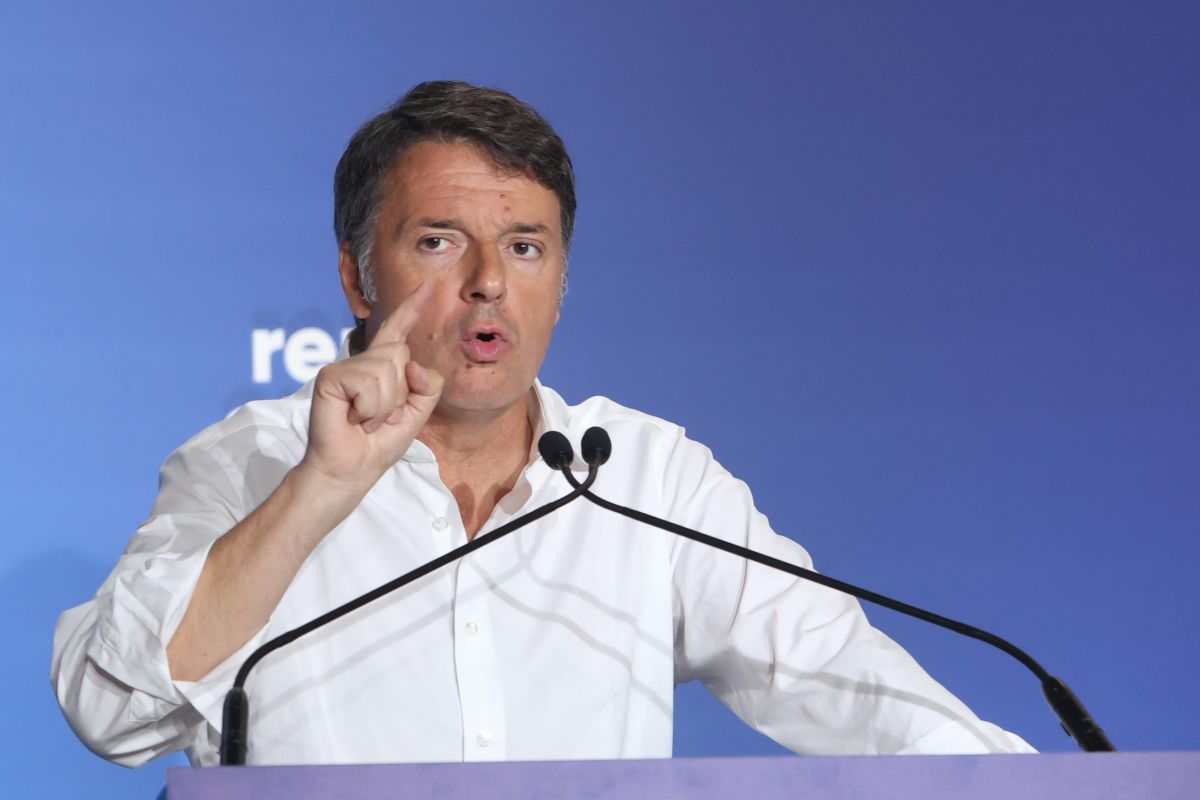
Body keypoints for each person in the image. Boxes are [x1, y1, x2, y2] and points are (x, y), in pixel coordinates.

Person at [52, 80, 1033, 767]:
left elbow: (850, 685)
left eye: (525, 246)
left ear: (561, 283)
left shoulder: (645, 477)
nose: (489, 281)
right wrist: (318, 491)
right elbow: (111, 712)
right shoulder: (255, 461)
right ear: (356, 276)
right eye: (441, 241)